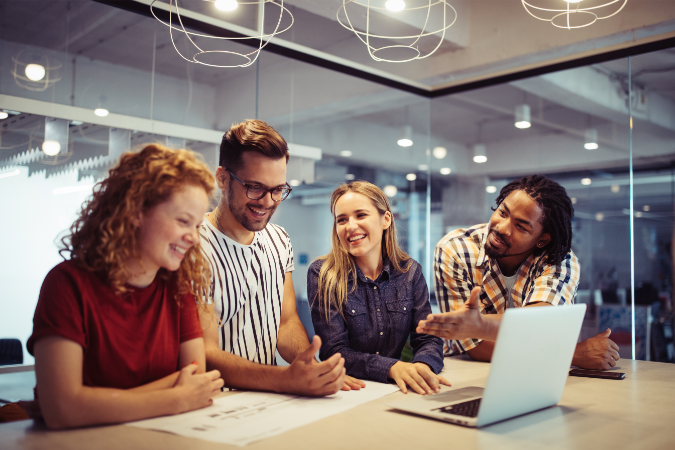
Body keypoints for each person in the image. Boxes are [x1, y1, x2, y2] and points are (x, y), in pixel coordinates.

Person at [27, 144, 224, 429]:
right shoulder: (67, 284)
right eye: (183, 221)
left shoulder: (179, 289)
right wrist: (175, 398)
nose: (193, 238)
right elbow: (63, 410)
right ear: (135, 211)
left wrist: (88, 404)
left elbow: (195, 379)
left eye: (196, 226)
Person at [199, 119, 353, 396]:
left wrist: (311, 367)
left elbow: (287, 322)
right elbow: (205, 352)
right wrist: (283, 379)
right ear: (222, 178)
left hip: (267, 401)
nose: (268, 202)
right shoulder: (192, 244)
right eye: (255, 187)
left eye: (278, 190)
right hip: (213, 403)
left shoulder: (279, 239)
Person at [418, 174, 620, 370]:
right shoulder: (455, 250)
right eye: (502, 212)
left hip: (538, 375)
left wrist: (478, 325)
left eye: (521, 226)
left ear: (543, 239)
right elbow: (475, 347)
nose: (502, 228)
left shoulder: (558, 260)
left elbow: (541, 323)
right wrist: (571, 354)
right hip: (471, 375)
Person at [308, 181, 449, 395]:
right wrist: (392, 367)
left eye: (361, 215)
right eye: (342, 220)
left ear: (386, 219)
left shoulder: (409, 272)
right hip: (348, 392)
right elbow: (333, 351)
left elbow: (428, 337)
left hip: (395, 390)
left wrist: (423, 366)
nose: (350, 226)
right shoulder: (323, 274)